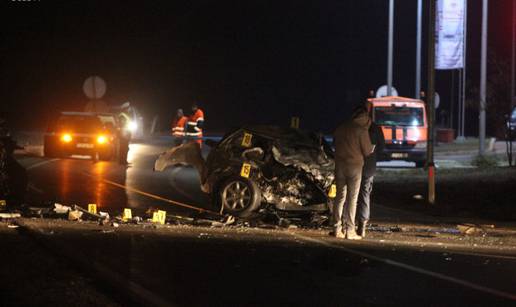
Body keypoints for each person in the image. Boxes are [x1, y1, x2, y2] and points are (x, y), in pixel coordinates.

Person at [332, 106, 374, 240]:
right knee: (352, 199)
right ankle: (350, 230)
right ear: (365, 118)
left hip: (339, 166)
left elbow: (335, 144)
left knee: (339, 198)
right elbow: (367, 151)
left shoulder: (340, 128)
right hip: (355, 167)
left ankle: (336, 228)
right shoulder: (361, 131)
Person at [356, 117, 385, 237]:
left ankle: (347, 224)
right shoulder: (376, 128)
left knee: (350, 195)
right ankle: (362, 225)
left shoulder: (353, 127)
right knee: (364, 194)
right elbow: (381, 147)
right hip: (369, 166)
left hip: (355, 165)